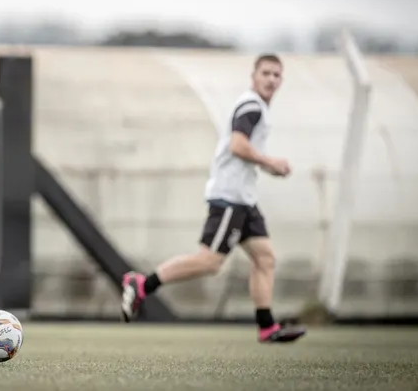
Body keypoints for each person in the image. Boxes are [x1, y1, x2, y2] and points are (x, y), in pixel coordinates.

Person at [119, 54, 307, 344]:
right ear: (253, 76)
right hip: (230, 199)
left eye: (276, 75)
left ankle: (267, 327)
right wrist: (270, 161)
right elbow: (237, 145)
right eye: (266, 73)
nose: (271, 79)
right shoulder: (252, 106)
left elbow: (244, 149)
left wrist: (267, 166)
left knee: (265, 258)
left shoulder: (258, 108)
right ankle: (142, 284)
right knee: (209, 262)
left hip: (244, 200)